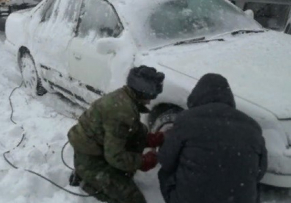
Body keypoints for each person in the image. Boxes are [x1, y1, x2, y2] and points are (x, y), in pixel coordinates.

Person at [158, 73, 268, 203]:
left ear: (197, 96)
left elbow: (166, 161)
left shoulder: (186, 120)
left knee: (164, 173)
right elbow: (260, 171)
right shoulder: (252, 126)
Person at [67, 66, 166, 203]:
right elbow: (115, 156)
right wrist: (142, 161)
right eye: (151, 96)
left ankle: (111, 175)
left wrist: (149, 139)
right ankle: (86, 180)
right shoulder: (123, 112)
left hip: (100, 148)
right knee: (133, 198)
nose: (150, 101)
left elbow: (131, 131)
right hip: (91, 159)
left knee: (136, 142)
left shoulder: (125, 97)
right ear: (143, 93)